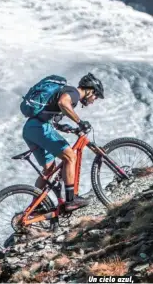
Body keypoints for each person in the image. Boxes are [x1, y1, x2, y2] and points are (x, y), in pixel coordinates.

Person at [22, 73, 104, 212]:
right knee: (70, 157)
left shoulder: (66, 92)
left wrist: (66, 128)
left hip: (30, 129)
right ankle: (71, 200)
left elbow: (52, 116)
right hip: (40, 128)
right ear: (90, 90)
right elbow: (63, 103)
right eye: (95, 96)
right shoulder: (74, 93)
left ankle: (35, 207)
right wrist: (80, 122)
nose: (93, 100)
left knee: (49, 170)